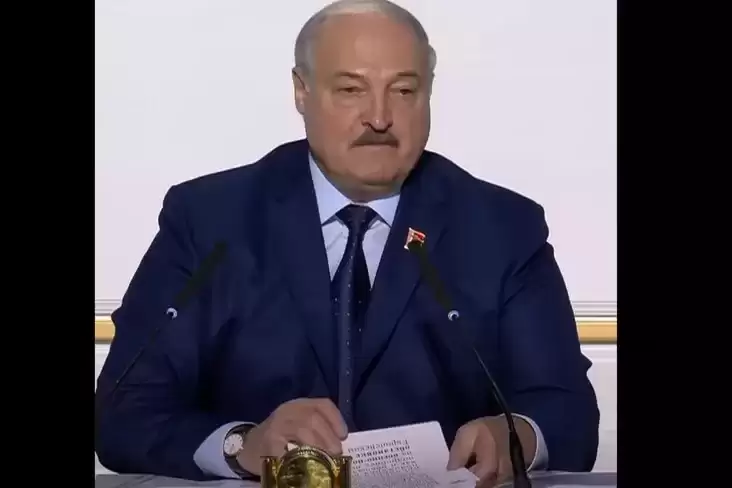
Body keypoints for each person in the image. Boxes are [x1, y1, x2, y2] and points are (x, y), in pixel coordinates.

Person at [95, 0, 600, 485]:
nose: (379, 118)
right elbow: (123, 411)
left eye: (404, 90)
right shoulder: (210, 222)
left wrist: (516, 437)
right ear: (301, 91)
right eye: (351, 90)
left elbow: (568, 414)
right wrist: (242, 445)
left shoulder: (502, 228)